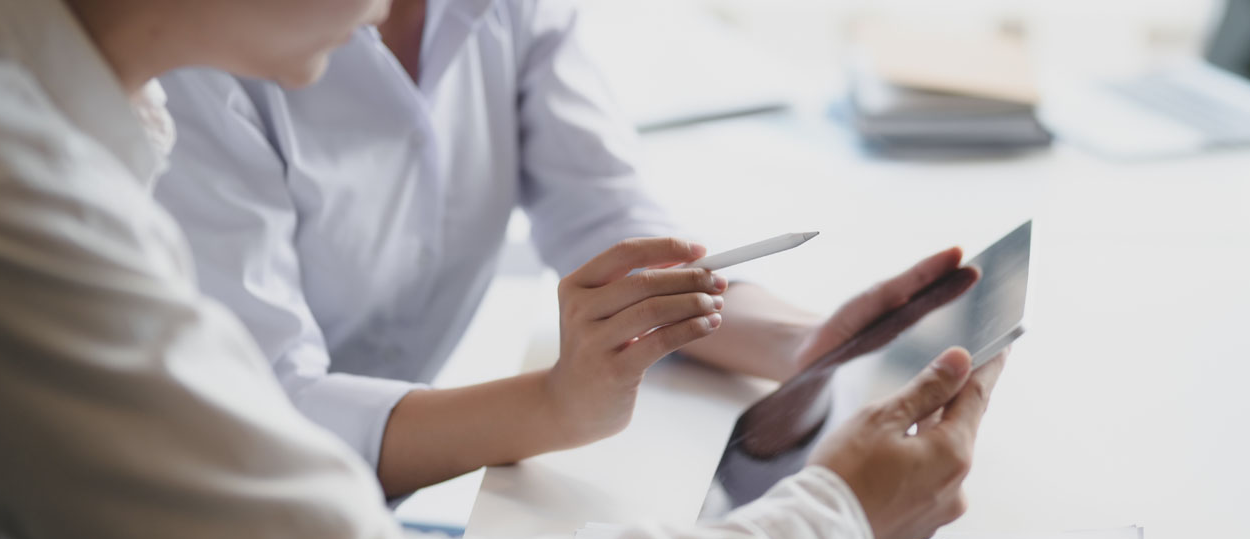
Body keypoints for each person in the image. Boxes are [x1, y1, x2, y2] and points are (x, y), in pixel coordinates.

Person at [0, 1, 1007, 539]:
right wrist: (830, 524)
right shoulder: (23, 205)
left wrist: (800, 352)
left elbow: (617, 228)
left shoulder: (86, 132)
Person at [154, 0, 970, 498]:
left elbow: (607, 220)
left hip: (374, 503)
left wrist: (805, 348)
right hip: (214, 524)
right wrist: (556, 405)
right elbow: (263, 414)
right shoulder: (199, 57)